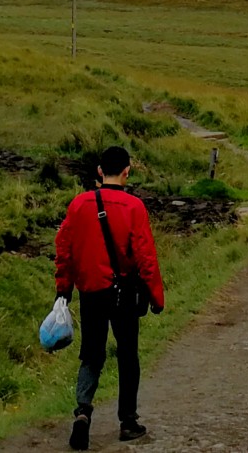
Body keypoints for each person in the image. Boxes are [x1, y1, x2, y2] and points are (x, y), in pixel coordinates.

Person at [55, 145, 166, 449]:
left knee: (92, 354)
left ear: (100, 172)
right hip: (125, 293)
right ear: (127, 171)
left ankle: (82, 411)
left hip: (90, 291)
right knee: (128, 354)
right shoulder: (134, 207)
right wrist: (156, 297)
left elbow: (64, 250)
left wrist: (63, 289)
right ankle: (128, 422)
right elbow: (146, 257)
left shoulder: (78, 205)